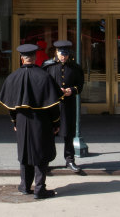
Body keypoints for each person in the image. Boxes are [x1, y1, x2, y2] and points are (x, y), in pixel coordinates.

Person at [0, 44, 63, 199]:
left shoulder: (13, 77)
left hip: (21, 121)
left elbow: (10, 106)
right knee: (42, 154)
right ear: (34, 58)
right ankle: (40, 189)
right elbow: (53, 105)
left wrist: (14, 122)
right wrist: (56, 123)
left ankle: (25, 186)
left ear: (22, 58)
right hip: (41, 122)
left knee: (24, 153)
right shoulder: (44, 76)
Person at [42, 40, 84, 173]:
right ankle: (45, 161)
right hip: (52, 105)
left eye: (65, 54)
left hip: (68, 105)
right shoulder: (48, 66)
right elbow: (42, 85)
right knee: (49, 134)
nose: (63, 57)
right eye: (61, 54)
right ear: (56, 52)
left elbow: (80, 85)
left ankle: (70, 160)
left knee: (69, 134)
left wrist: (72, 90)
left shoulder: (75, 68)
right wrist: (55, 90)